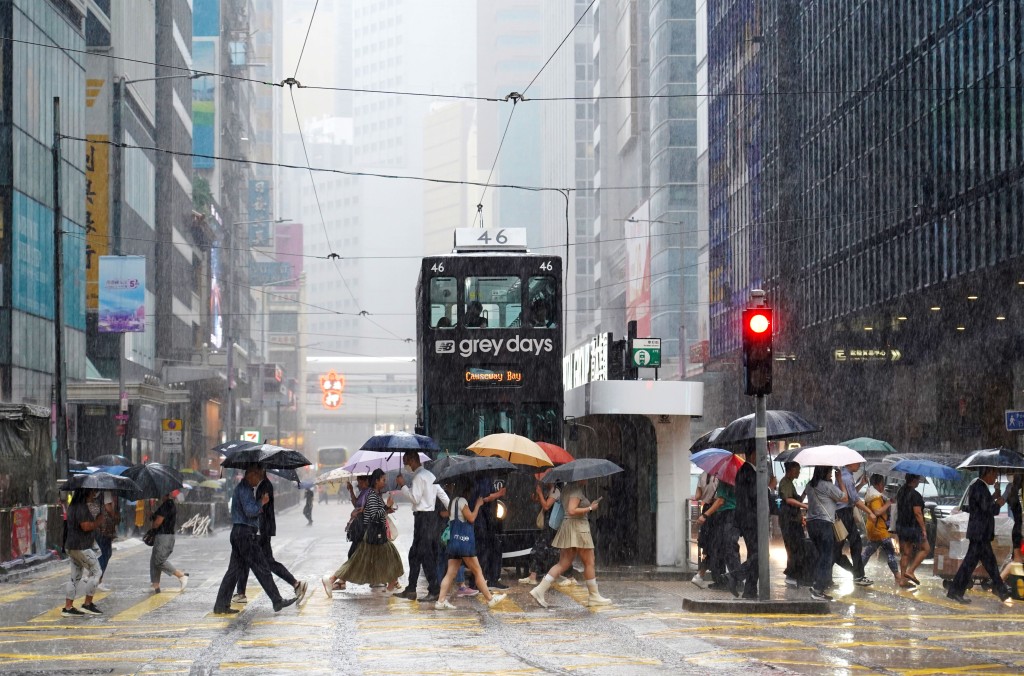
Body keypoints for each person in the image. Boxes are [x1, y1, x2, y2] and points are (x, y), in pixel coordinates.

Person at [213, 465, 297, 615]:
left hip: (239, 533)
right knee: (262, 568)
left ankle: (221, 605)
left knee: (233, 572)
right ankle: (277, 600)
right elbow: (250, 511)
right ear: (250, 474)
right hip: (245, 535)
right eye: (257, 476)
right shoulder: (245, 490)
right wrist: (262, 503)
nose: (258, 480)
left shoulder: (244, 489)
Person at [529, 479, 611, 608]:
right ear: (579, 477)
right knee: (589, 562)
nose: (587, 479)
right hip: (578, 528)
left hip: (568, 527)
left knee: (562, 564)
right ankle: (594, 596)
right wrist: (590, 507)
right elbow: (572, 510)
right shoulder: (576, 490)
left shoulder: (566, 489)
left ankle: (539, 590)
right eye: (585, 477)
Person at [233, 469, 309, 605]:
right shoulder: (261, 485)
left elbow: (260, 509)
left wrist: (257, 529)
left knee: (266, 562)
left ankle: (295, 584)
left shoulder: (264, 486)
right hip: (261, 529)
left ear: (259, 472)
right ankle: (241, 592)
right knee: (249, 560)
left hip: (262, 530)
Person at [323, 469, 403, 593]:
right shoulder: (371, 495)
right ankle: (332, 579)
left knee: (383, 559)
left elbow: (376, 512)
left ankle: (390, 586)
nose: (385, 483)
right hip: (374, 534)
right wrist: (386, 507)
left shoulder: (374, 494)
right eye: (383, 480)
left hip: (376, 534)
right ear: (376, 481)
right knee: (359, 561)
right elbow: (374, 516)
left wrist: (387, 509)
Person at [435, 477, 508, 610]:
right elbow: (471, 518)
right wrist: (478, 505)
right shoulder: (462, 501)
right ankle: (490, 599)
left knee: (450, 573)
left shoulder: (452, 502)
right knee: (477, 571)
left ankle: (440, 601)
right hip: (465, 543)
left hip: (454, 542)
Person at [946, 468, 1013, 604]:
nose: (995, 477)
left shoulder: (978, 486)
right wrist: (998, 503)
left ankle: (955, 591)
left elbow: (981, 505)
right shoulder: (980, 487)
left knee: (985, 564)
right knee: (979, 564)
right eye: (994, 474)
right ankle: (1001, 591)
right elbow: (989, 510)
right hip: (980, 533)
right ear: (987, 473)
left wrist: (993, 496)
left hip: (980, 533)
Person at [395, 451, 449, 602]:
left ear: (413, 460)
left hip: (423, 519)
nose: (406, 465)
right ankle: (411, 589)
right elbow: (443, 495)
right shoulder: (430, 475)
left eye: (406, 461)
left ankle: (434, 590)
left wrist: (403, 486)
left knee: (426, 555)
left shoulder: (419, 477)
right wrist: (452, 510)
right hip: (430, 519)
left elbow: (414, 498)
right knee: (414, 554)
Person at [806, 466, 848, 601]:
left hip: (811, 524)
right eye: (830, 472)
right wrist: (840, 481)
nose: (831, 474)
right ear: (824, 472)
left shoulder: (809, 485)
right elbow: (845, 498)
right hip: (824, 524)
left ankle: (816, 585)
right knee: (826, 557)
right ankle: (818, 590)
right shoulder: (826, 485)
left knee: (821, 556)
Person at [62, 488, 104, 616]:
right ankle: (87, 604)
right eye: (92, 492)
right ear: (86, 493)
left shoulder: (73, 506)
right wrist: (97, 522)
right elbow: (85, 526)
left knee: (75, 577)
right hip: (82, 546)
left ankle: (68, 608)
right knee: (97, 572)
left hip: (72, 546)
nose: (94, 495)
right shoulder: (81, 507)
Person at [696, 476, 741, 592]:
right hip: (725, 516)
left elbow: (721, 500)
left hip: (727, 515)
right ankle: (723, 580)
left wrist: (705, 515)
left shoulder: (725, 480)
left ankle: (737, 580)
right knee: (718, 547)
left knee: (727, 548)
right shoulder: (727, 479)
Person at [833, 462, 874, 586]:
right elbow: (855, 500)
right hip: (844, 513)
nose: (860, 465)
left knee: (837, 549)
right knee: (855, 544)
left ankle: (856, 573)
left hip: (843, 513)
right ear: (850, 463)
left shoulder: (847, 476)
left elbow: (851, 495)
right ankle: (857, 575)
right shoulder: (846, 478)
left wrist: (861, 484)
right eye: (858, 463)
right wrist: (869, 512)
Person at [861, 474, 904, 587]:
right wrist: (888, 503)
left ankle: (858, 573)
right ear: (877, 484)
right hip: (879, 529)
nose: (883, 486)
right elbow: (877, 512)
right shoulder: (875, 497)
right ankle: (897, 576)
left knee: (867, 552)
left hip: (873, 528)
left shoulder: (872, 495)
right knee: (890, 552)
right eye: (882, 484)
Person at [728, 451, 760, 598]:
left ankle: (750, 590)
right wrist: (767, 488)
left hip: (745, 518)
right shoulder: (749, 472)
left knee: (756, 554)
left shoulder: (744, 471)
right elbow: (755, 496)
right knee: (759, 554)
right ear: (753, 454)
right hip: (751, 519)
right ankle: (736, 576)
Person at [520, 478, 562, 585]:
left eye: (546, 479)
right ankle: (544, 575)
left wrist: (540, 493)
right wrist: (538, 497)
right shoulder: (551, 491)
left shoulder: (555, 491)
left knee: (538, 549)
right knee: (549, 550)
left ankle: (534, 576)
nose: (544, 482)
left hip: (551, 526)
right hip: (549, 526)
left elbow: (546, 506)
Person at [471, 472, 508, 590]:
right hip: (482, 520)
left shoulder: (486, 478)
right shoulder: (482, 479)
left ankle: (492, 578)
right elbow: (484, 498)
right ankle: (479, 581)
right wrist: (499, 493)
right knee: (483, 551)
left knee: (493, 549)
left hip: (489, 520)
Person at [895, 473, 931, 587]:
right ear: (914, 480)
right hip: (913, 527)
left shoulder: (901, 491)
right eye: (918, 479)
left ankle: (902, 580)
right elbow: (918, 513)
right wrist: (924, 529)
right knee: (926, 549)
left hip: (901, 526)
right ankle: (910, 571)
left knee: (906, 553)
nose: (920, 481)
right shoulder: (915, 495)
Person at [149, 492, 189, 594]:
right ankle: (156, 586)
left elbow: (158, 522)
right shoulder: (168, 505)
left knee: (159, 561)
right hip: (163, 536)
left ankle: (181, 575)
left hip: (164, 536)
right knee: (154, 560)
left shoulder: (167, 505)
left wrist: (153, 528)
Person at [778, 461, 809, 587]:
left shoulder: (790, 483)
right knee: (792, 548)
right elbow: (788, 500)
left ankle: (795, 574)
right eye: (797, 470)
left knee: (798, 548)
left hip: (794, 521)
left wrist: (805, 493)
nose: (799, 472)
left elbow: (797, 499)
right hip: (788, 521)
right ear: (790, 470)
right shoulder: (785, 483)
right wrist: (804, 505)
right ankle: (790, 575)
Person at [691, 470, 720, 589]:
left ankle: (703, 575)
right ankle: (701, 575)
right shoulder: (719, 477)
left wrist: (705, 493)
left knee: (709, 546)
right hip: (715, 512)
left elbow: (697, 496)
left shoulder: (702, 475)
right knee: (715, 546)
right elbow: (720, 499)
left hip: (705, 509)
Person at [94, 490, 119, 592]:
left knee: (105, 553)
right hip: (104, 528)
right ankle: (96, 578)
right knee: (106, 553)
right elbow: (108, 508)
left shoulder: (96, 493)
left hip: (98, 527)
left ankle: (96, 577)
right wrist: (114, 515)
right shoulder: (107, 492)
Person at [1000, 474, 1023, 583]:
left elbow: (1002, 501)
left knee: (1017, 560)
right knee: (1017, 561)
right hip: (1020, 531)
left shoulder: (1011, 489)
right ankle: (999, 583)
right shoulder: (1013, 490)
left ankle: (1002, 582)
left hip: (1018, 530)